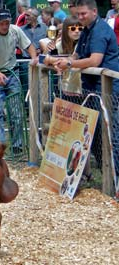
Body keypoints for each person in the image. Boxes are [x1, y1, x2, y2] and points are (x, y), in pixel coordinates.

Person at [54, 0, 119, 182]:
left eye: (84, 14)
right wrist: (66, 62)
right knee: (96, 132)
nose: (81, 17)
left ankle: (115, 180)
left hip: (108, 89)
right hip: (93, 88)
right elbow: (77, 54)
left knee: (112, 134)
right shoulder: (87, 28)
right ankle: (106, 176)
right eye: (79, 14)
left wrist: (69, 64)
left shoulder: (99, 30)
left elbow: (94, 60)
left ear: (94, 11)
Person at [0, 9, 37, 148]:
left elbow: (29, 46)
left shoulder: (16, 30)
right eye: (2, 23)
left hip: (12, 73)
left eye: (7, 22)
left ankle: (17, 145)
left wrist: (34, 59)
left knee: (17, 113)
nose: (5, 26)